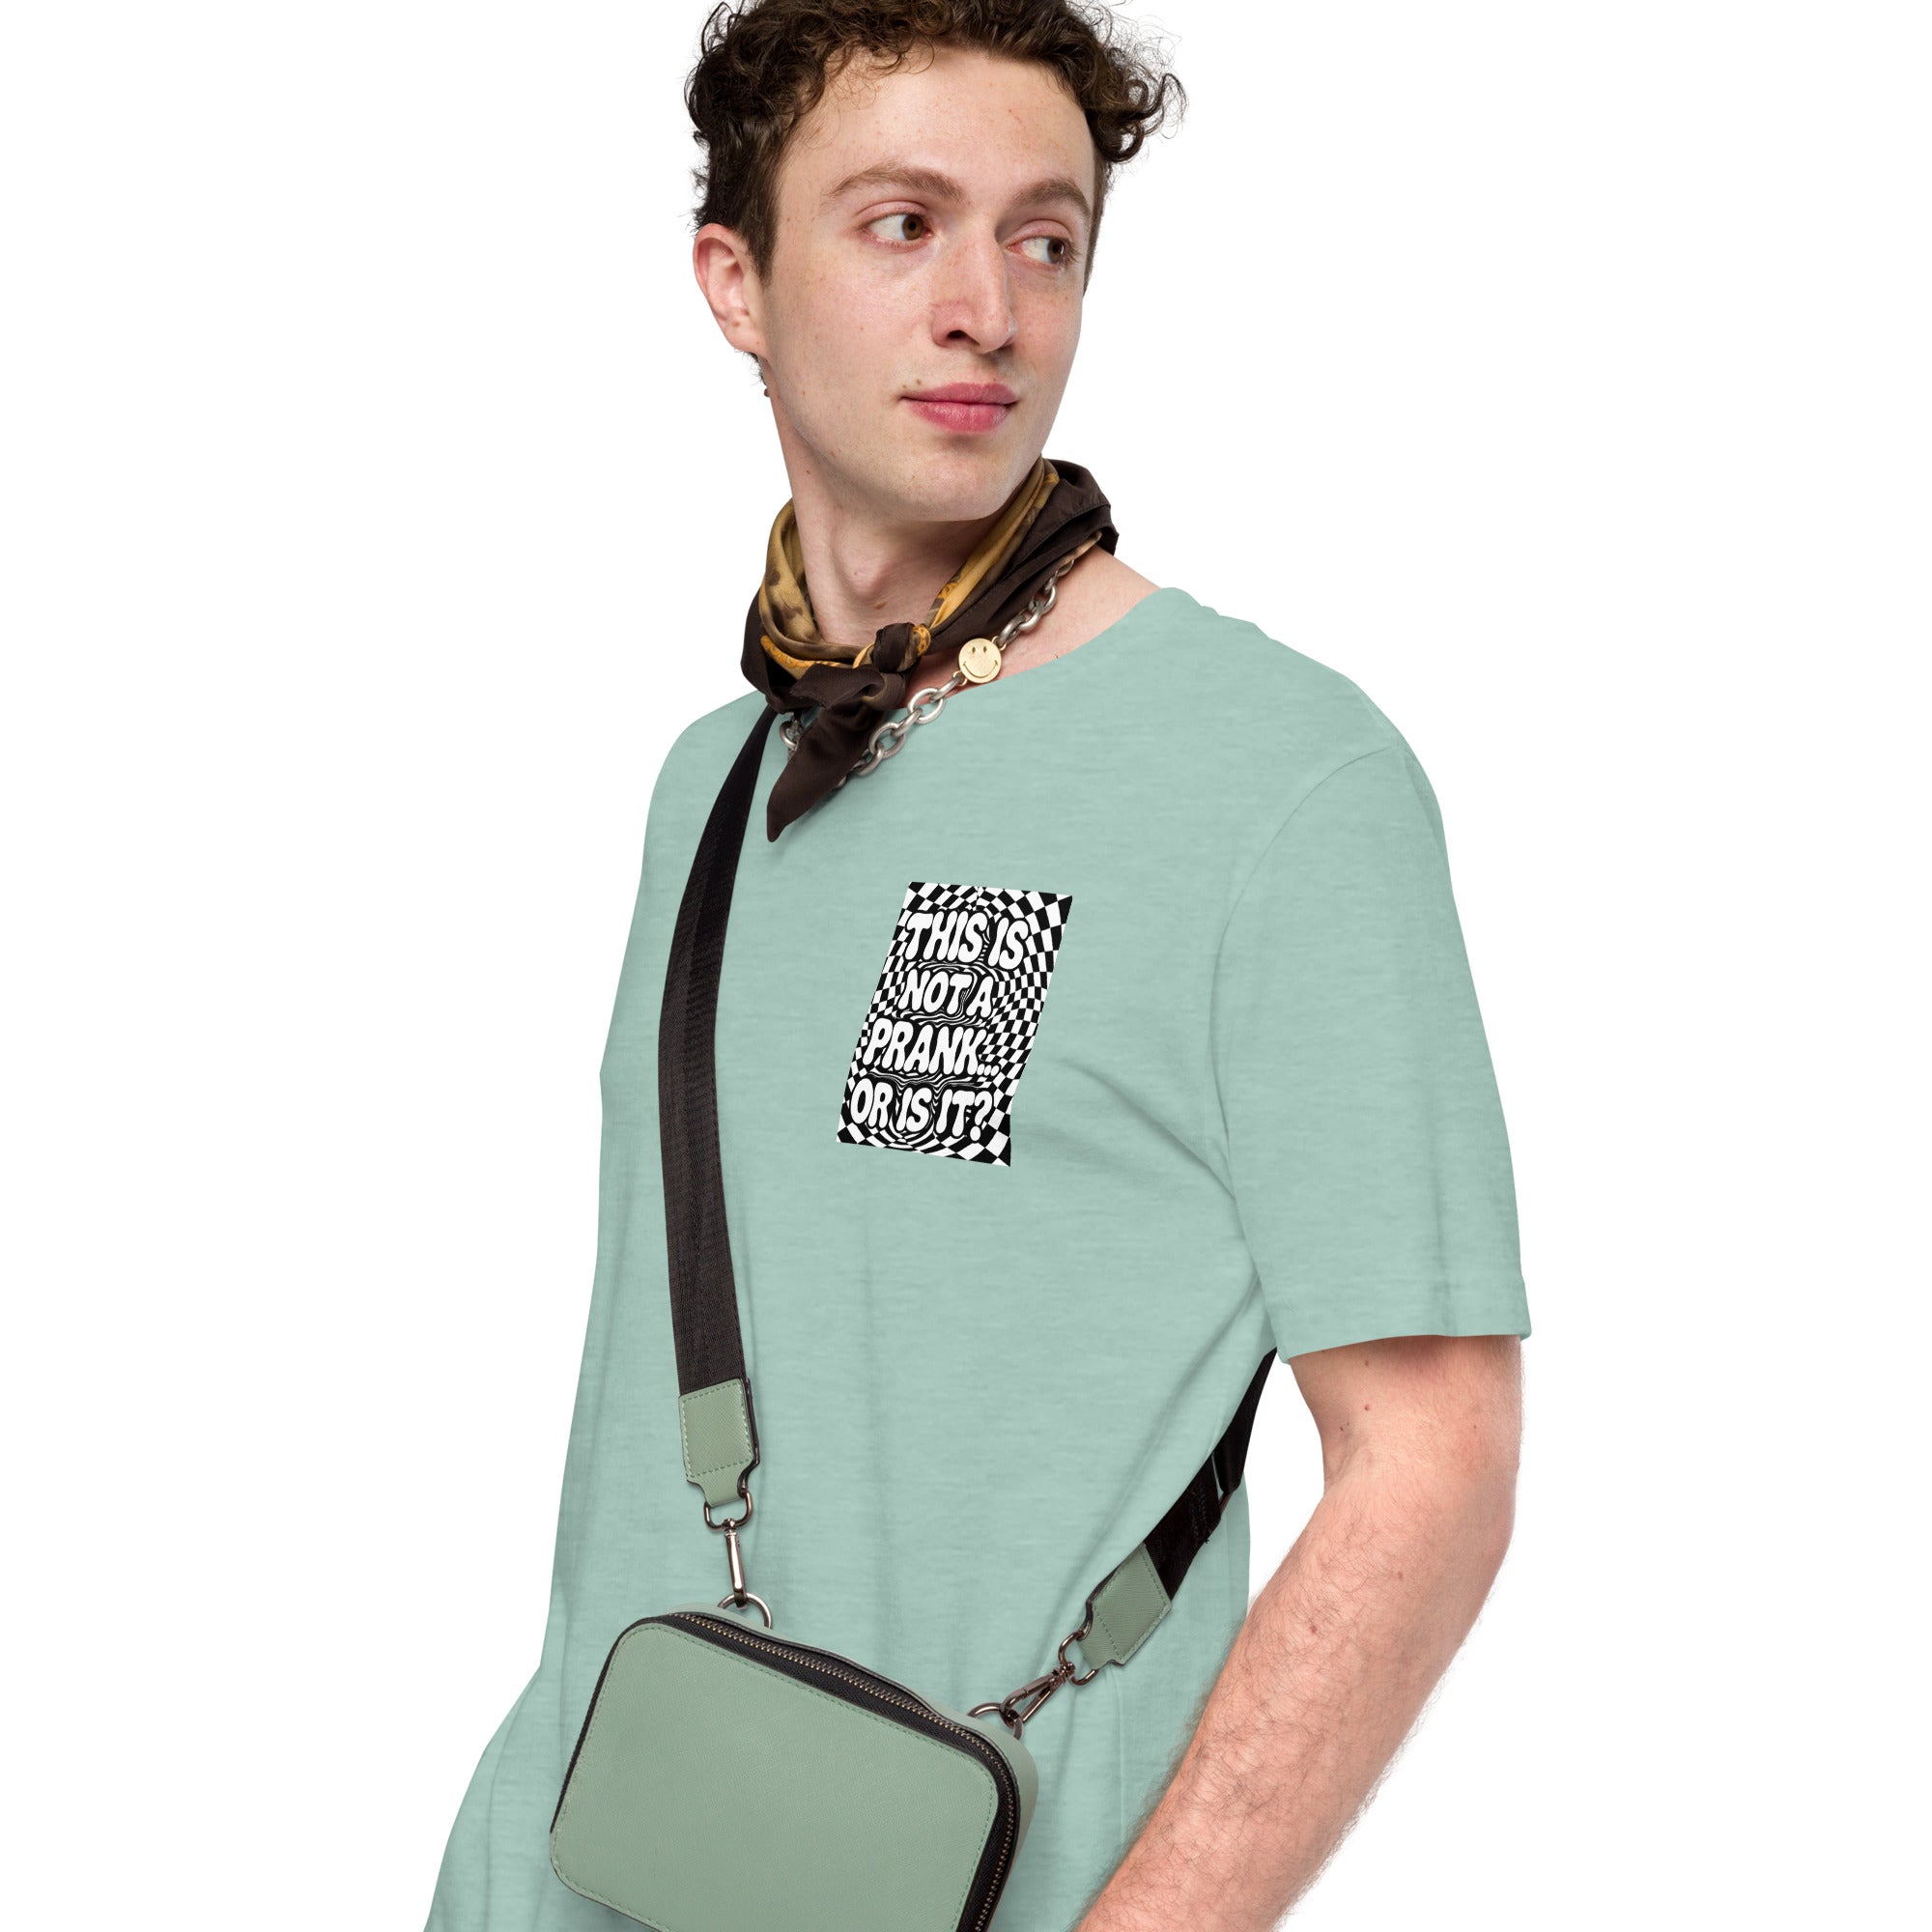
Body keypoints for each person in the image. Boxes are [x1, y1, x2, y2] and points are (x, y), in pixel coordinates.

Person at [424, 3, 1529, 1927]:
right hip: (553, 1875)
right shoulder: (715, 779)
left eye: (1044, 238)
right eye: (900, 224)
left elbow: (1431, 1465)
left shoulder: (1280, 778)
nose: (986, 311)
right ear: (735, 282)